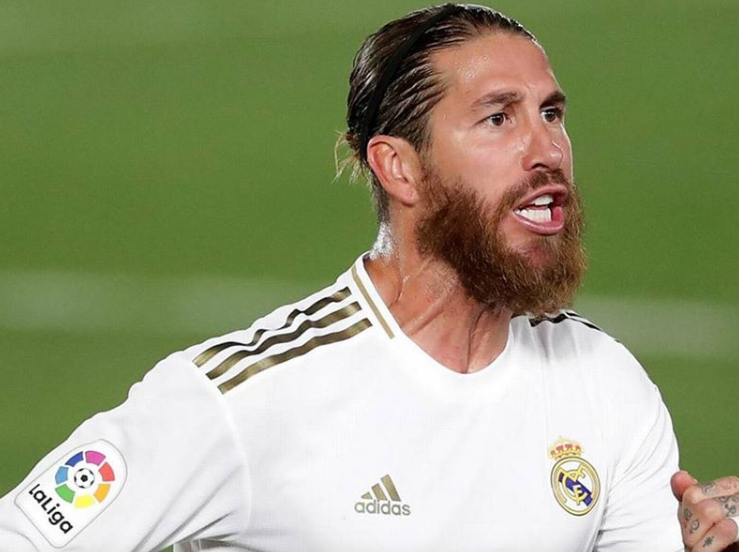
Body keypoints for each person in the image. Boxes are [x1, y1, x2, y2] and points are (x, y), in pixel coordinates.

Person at [0, 4, 736, 551]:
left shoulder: (604, 383)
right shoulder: (247, 397)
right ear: (399, 168)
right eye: (498, 119)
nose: (546, 150)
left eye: (551, 113)